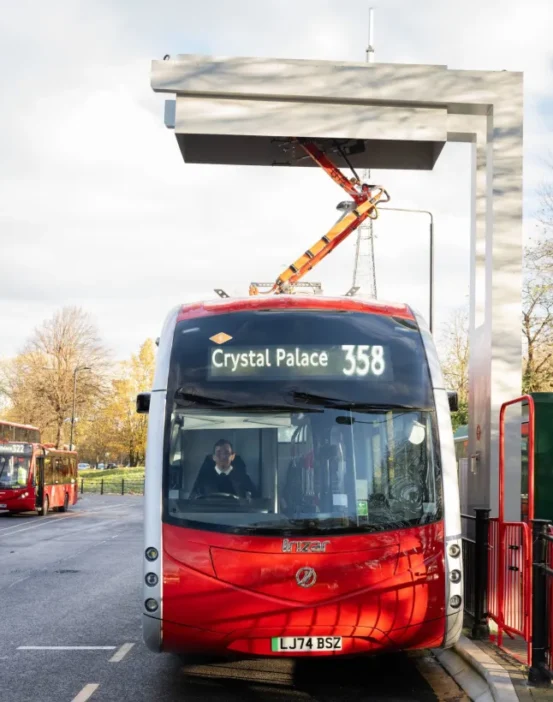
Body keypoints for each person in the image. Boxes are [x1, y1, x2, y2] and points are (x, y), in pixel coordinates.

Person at [190, 439, 259, 499]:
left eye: (227, 452)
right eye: (219, 453)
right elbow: (193, 502)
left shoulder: (243, 479)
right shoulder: (203, 481)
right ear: (213, 457)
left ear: (232, 456)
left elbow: (255, 502)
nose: (223, 456)